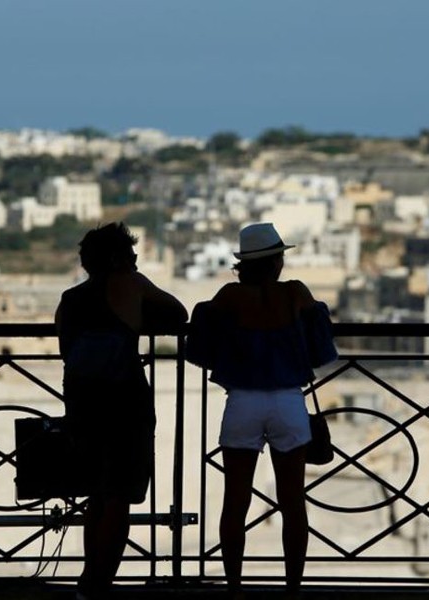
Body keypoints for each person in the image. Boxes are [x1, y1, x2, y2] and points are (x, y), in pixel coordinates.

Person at [186, 222, 337, 599]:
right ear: (277, 261)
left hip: (243, 403)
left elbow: (199, 348)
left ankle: (234, 585)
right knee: (293, 502)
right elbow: (322, 350)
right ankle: (292, 588)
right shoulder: (295, 294)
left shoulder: (228, 297)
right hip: (288, 402)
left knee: (235, 501)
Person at [55, 222, 188, 599]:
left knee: (96, 496)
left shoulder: (69, 299)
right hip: (124, 402)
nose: (134, 262)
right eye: (130, 256)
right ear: (116, 259)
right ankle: (100, 584)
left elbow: (66, 350)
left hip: (81, 403)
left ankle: (88, 580)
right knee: (119, 498)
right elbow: (178, 314)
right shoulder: (130, 285)